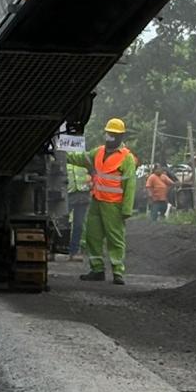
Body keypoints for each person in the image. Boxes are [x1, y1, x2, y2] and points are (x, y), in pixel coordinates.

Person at [66, 118, 137, 285]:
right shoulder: (97, 152)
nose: (110, 137)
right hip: (97, 201)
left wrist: (127, 209)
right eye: (109, 133)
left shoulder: (126, 158)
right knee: (93, 236)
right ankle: (97, 269)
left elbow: (130, 185)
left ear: (121, 136)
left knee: (115, 238)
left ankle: (118, 272)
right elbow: (80, 158)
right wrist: (62, 154)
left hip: (114, 205)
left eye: (114, 134)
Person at [65, 158, 91, 258]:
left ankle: (74, 251)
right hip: (66, 195)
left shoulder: (85, 159)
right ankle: (57, 249)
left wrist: (92, 182)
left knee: (78, 225)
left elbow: (94, 172)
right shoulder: (62, 158)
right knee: (61, 223)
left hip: (82, 196)